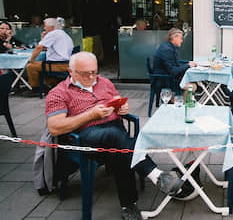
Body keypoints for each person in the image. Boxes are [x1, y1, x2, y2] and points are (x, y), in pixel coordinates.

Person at [45, 52, 183, 220]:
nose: (91, 76)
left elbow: (118, 100)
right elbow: (54, 127)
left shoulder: (105, 82)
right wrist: (90, 115)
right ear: (70, 71)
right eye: (84, 73)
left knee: (120, 150)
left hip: (115, 132)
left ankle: (129, 205)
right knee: (118, 139)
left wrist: (122, 108)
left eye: (94, 72)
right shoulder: (59, 92)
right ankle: (155, 176)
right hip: (85, 136)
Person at [22, 18, 74, 97]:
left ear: (52, 27)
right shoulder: (62, 33)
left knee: (30, 66)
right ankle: (49, 84)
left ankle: (36, 89)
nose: (44, 28)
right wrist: (43, 37)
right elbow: (44, 47)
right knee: (39, 64)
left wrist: (31, 60)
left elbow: (39, 48)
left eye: (45, 26)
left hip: (58, 65)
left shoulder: (53, 34)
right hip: (66, 63)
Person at [153, 28, 197, 98]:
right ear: (174, 37)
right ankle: (179, 103)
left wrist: (188, 64)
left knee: (193, 82)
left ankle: (178, 101)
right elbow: (173, 71)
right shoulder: (167, 50)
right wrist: (188, 65)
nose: (182, 41)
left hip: (166, 77)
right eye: (180, 38)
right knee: (193, 86)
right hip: (165, 81)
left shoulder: (168, 47)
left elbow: (174, 65)